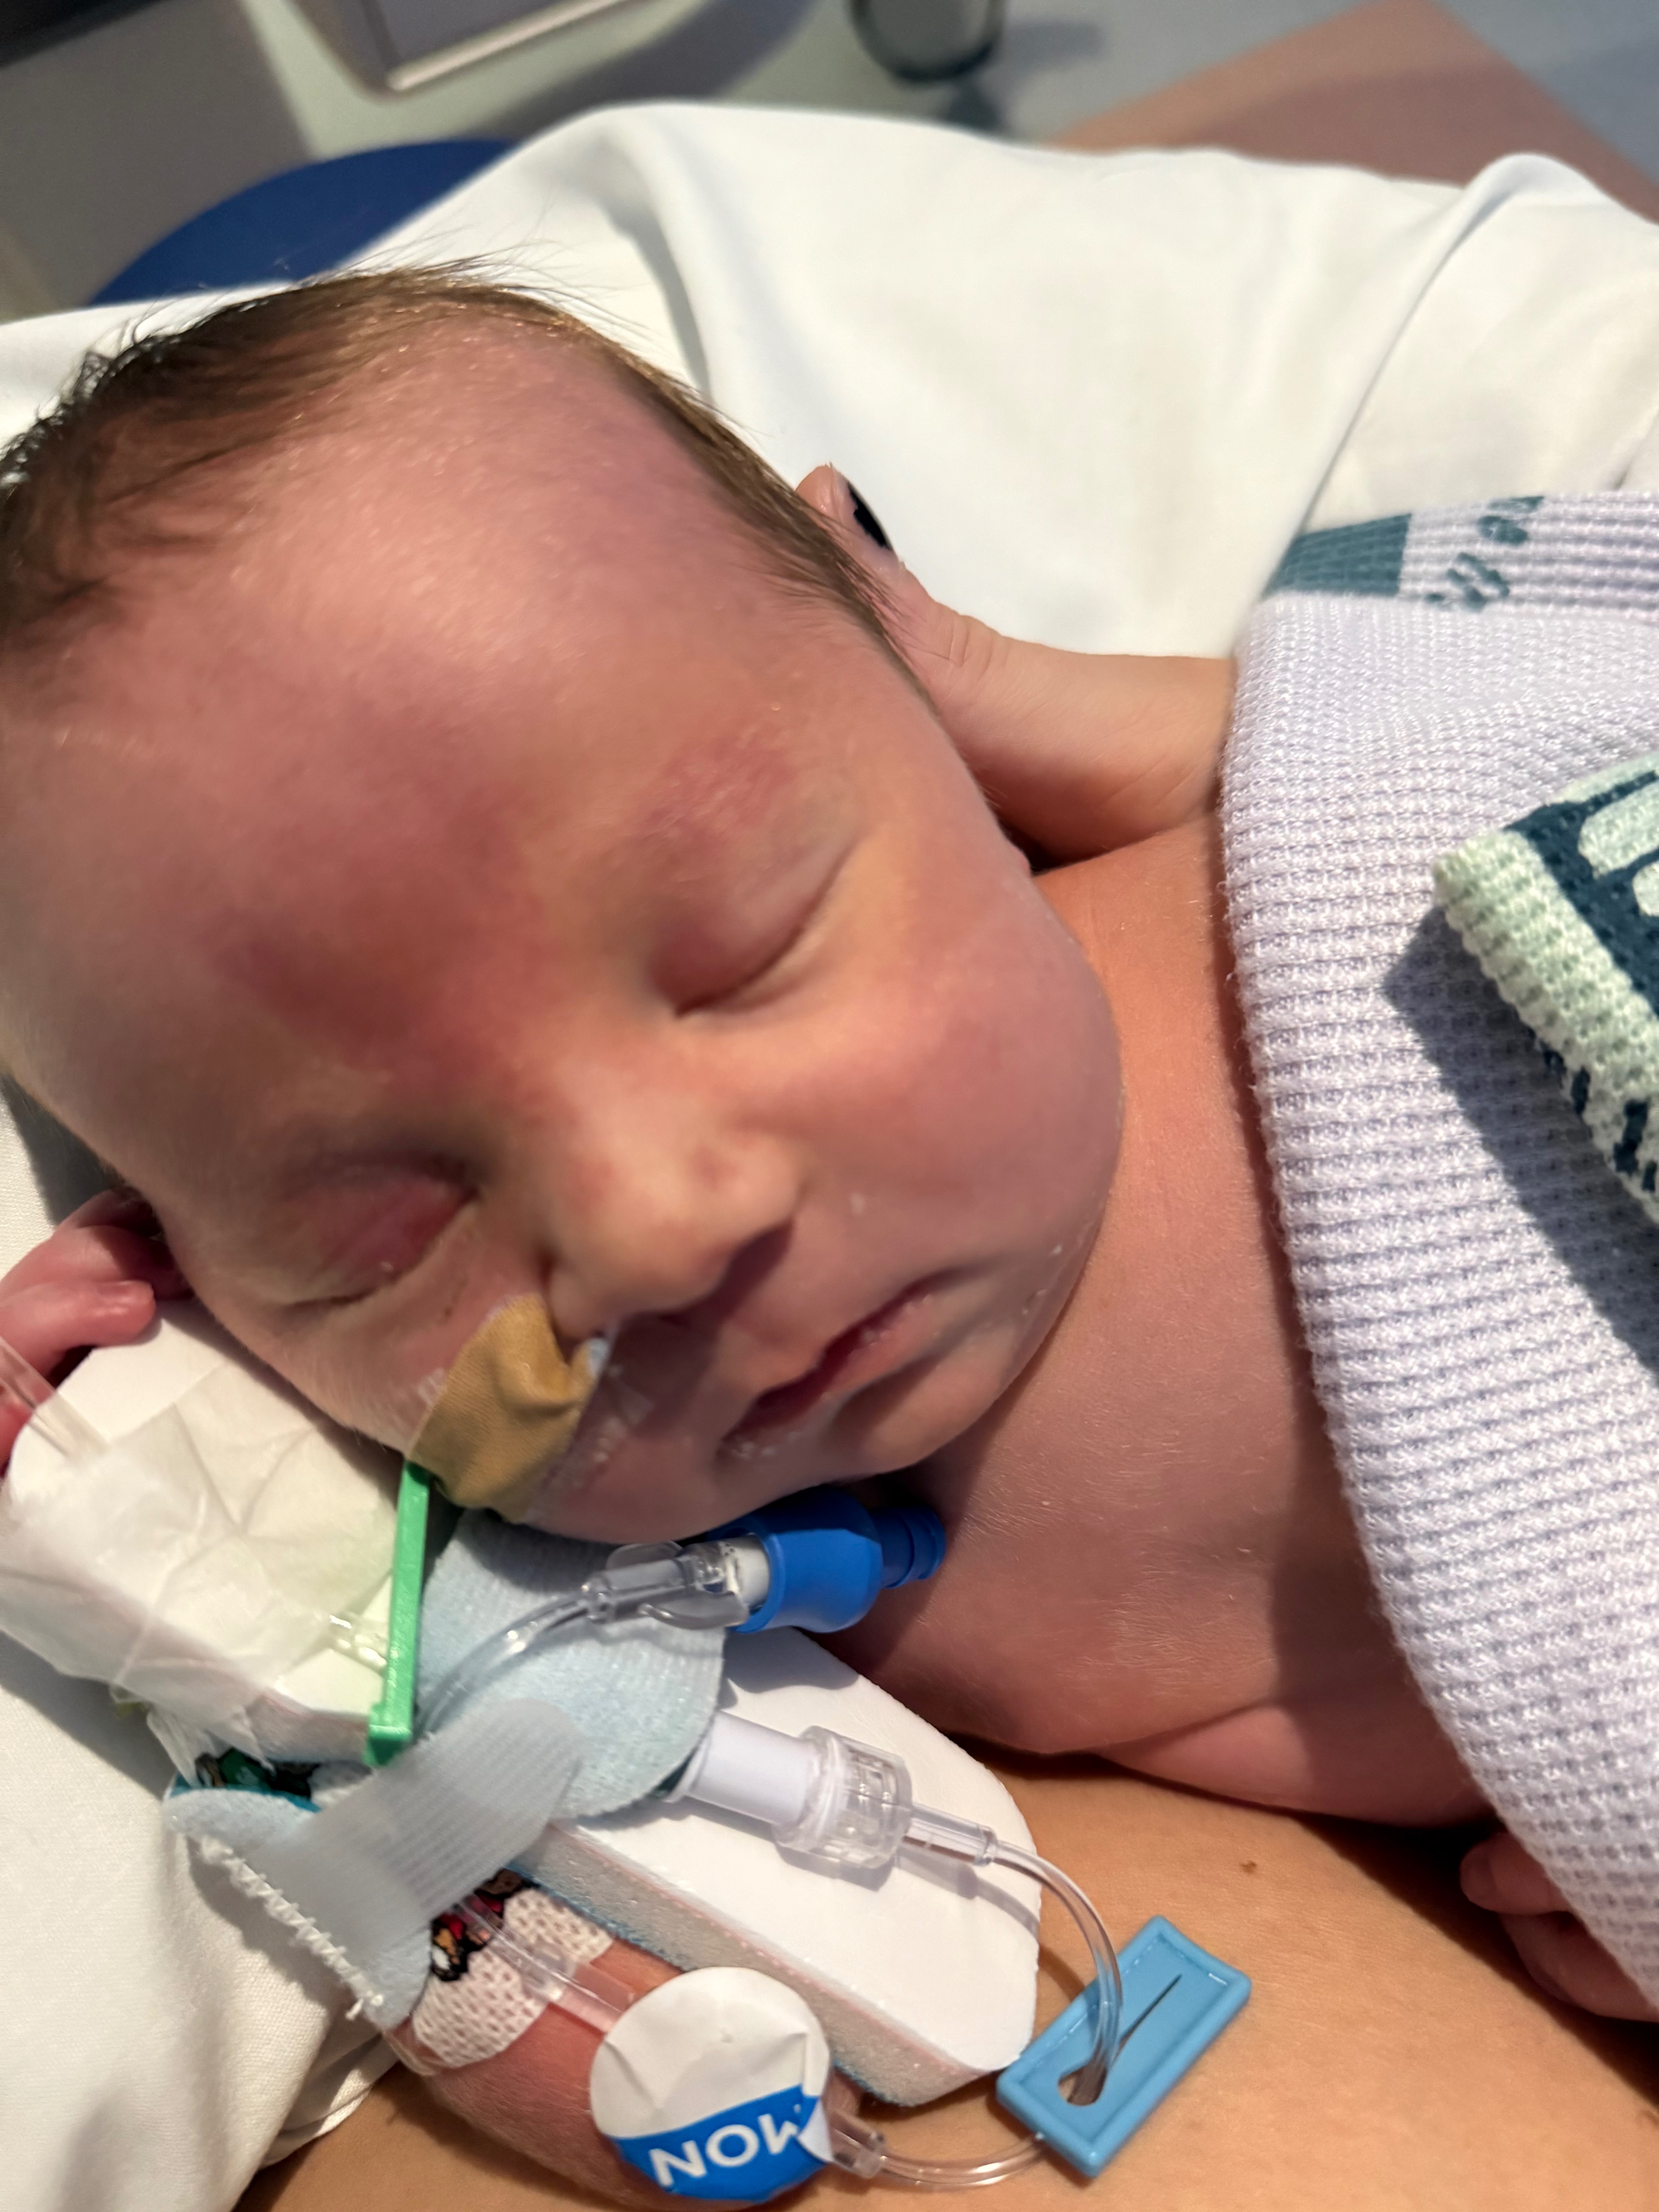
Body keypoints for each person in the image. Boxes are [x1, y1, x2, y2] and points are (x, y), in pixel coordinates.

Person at [0, 266, 1650, 2199]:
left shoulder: (1330, 835)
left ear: (918, 701)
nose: (653, 1229)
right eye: (383, 1228)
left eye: (741, 954)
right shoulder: (620, 1582)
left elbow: (1537, 695)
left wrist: (1210, 719)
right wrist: (101, 1422)